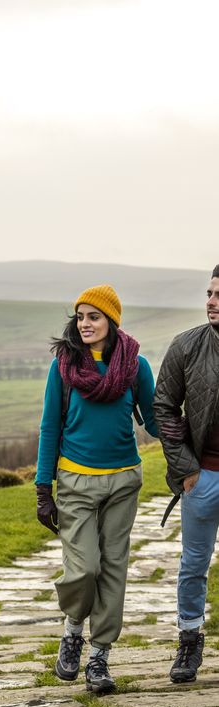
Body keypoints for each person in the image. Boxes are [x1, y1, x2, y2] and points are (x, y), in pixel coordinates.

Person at [35, 284, 158, 693]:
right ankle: (72, 629)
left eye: (94, 317)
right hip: (75, 481)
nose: (85, 324)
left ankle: (100, 657)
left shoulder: (136, 366)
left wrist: (188, 450)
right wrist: (42, 489)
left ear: (111, 321)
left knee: (113, 570)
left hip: (124, 480)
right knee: (85, 567)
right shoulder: (64, 367)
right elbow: (50, 425)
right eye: (81, 317)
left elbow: (155, 421)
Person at [153, 264, 219, 684]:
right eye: (210, 293)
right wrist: (185, 470)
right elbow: (163, 407)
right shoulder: (186, 346)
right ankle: (189, 642)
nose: (211, 302)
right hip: (203, 477)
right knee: (193, 564)